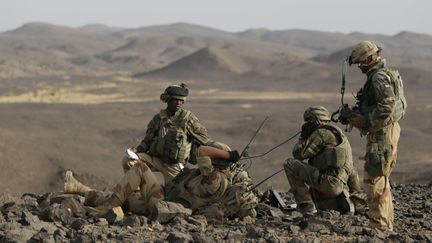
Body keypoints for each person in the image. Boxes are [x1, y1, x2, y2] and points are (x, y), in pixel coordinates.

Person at [64, 143, 258, 219]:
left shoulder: (215, 179)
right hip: (165, 200)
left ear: (215, 161)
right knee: (126, 200)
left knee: (140, 168)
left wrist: (229, 155)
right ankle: (79, 189)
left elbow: (202, 151)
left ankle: (106, 210)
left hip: (167, 206)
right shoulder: (207, 174)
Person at [347, 41, 406, 231]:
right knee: (381, 179)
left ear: (371, 58)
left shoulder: (379, 77)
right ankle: (384, 226)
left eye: (361, 63)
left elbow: (386, 107)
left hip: (382, 133)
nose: (360, 67)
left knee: (373, 180)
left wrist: (363, 121)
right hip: (386, 130)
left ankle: (379, 228)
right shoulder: (385, 74)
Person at [123, 83, 213, 183]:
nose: (179, 103)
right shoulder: (158, 119)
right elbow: (147, 141)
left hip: (174, 167)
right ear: (168, 100)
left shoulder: (188, 119)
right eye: (175, 100)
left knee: (171, 195)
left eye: (181, 100)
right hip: (156, 160)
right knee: (128, 160)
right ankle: (138, 190)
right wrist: (137, 150)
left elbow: (205, 139)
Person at [283, 106, 361, 215]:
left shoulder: (321, 133)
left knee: (290, 164)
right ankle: (352, 205)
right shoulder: (340, 137)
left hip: (328, 184)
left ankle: (306, 207)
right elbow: (351, 170)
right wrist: (357, 196)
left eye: (308, 121)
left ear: (316, 121)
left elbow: (298, 154)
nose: (307, 124)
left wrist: (303, 137)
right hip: (338, 186)